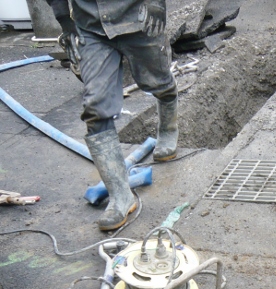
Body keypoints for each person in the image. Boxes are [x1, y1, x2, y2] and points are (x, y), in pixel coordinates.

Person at [46, 0, 179, 230]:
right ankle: (120, 196)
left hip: (136, 18)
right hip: (90, 27)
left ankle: (168, 128)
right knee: (96, 108)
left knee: (158, 82)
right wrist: (64, 19)